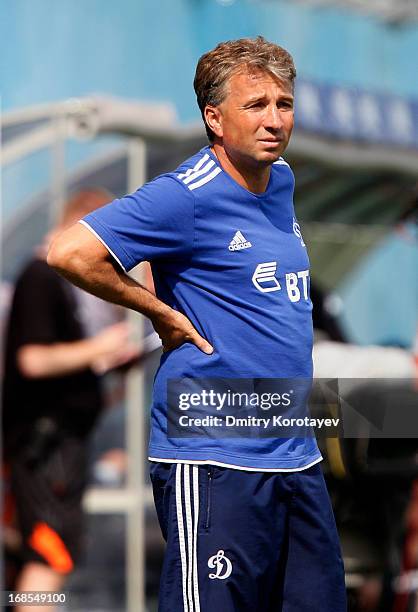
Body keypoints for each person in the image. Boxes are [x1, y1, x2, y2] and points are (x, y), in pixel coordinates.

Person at [48, 37, 346, 611]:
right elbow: (70, 252)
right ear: (214, 117)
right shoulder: (183, 196)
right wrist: (159, 312)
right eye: (255, 105)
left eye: (283, 104)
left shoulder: (280, 181)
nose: (274, 119)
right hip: (215, 456)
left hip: (294, 453)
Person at [3, 189, 138, 612]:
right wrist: (100, 347)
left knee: (46, 553)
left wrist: (109, 362)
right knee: (50, 554)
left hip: (60, 445)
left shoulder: (61, 285)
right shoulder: (41, 277)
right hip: (45, 446)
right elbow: (33, 359)